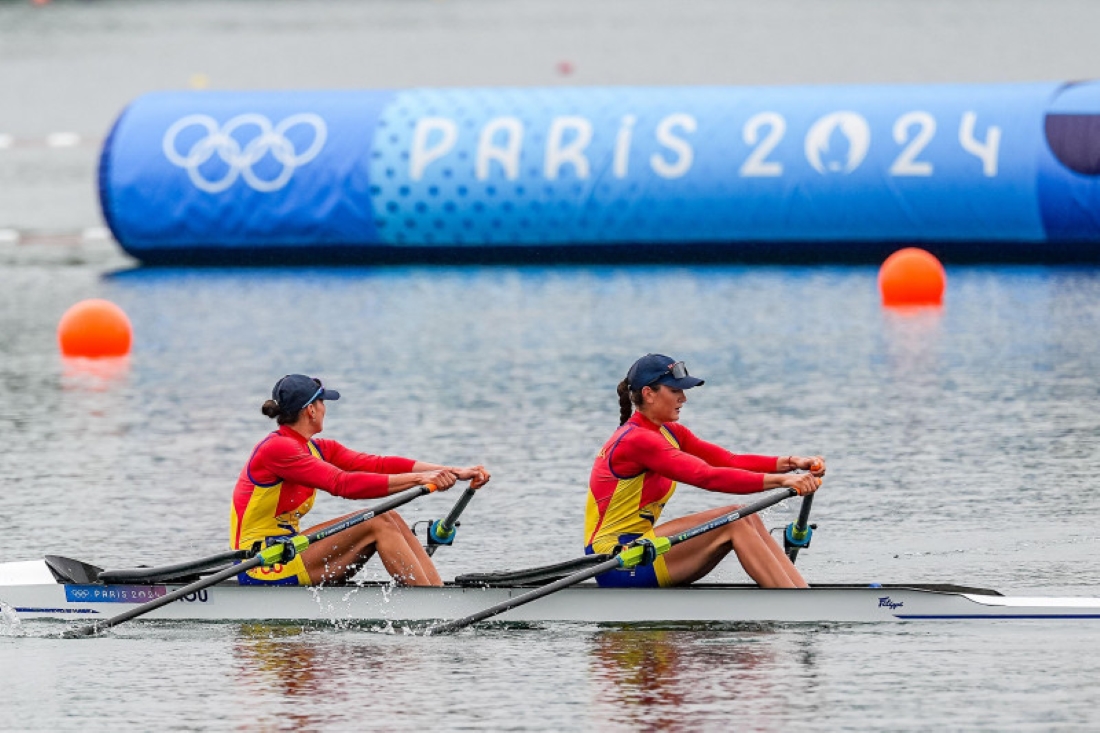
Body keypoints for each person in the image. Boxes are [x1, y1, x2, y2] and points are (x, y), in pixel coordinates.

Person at [585, 354, 824, 589]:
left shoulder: (670, 432)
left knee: (746, 515)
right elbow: (706, 476)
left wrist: (792, 462)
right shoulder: (637, 440)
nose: (683, 398)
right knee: (734, 521)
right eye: (675, 390)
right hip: (616, 560)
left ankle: (798, 593)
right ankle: (792, 601)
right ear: (648, 394)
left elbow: (729, 460)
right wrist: (784, 481)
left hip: (643, 550)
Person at [230, 374, 490, 587]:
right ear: (311, 410)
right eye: (323, 403)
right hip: (261, 564)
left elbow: (379, 464)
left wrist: (453, 471)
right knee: (377, 521)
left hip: (288, 549)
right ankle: (428, 604)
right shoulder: (277, 449)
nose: (325, 409)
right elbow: (342, 484)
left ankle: (434, 592)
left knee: (390, 516)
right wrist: (421, 478)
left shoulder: (317, 448)